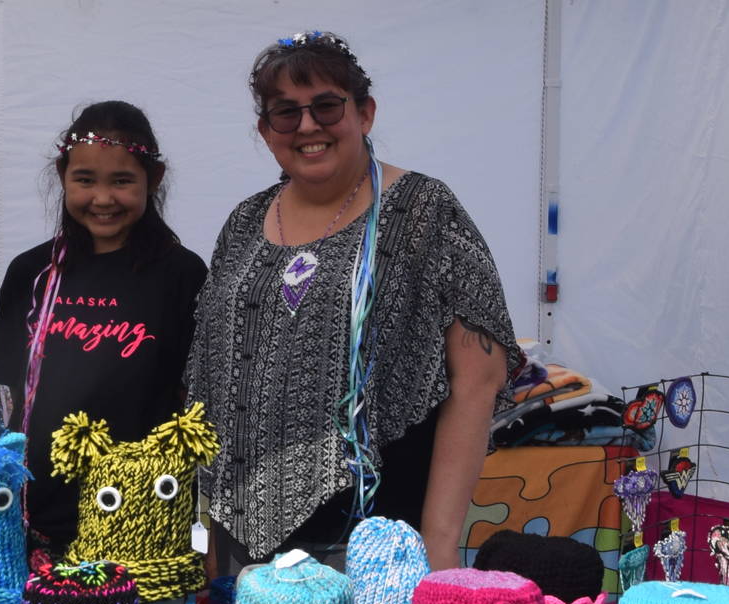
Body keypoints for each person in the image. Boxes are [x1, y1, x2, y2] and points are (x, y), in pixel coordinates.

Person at [186, 31, 521, 573]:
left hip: (373, 544)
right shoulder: (246, 222)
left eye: (326, 106)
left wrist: (438, 540)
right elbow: (213, 374)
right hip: (245, 546)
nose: (309, 126)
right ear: (266, 132)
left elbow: (478, 381)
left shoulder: (423, 211)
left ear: (364, 112)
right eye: (285, 113)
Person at [0, 101, 206, 551]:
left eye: (122, 181)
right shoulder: (31, 272)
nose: (102, 199)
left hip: (142, 518)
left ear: (154, 179)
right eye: (84, 180)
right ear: (62, 176)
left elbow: (194, 405)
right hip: (35, 519)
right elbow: (4, 398)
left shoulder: (182, 275)